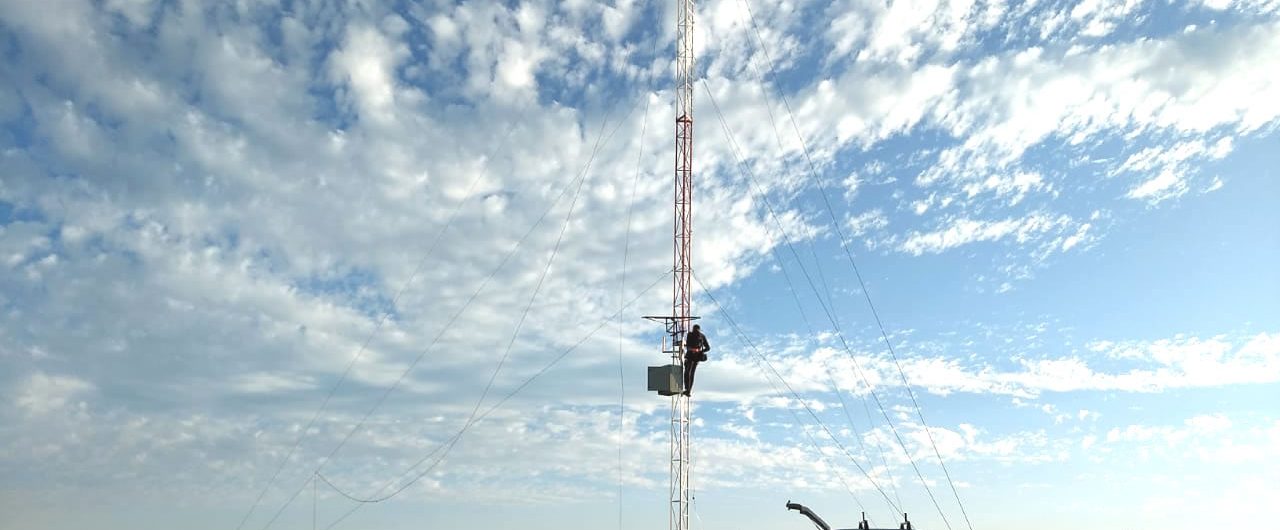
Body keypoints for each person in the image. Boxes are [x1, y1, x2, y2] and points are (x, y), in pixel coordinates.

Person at [682, 324, 709, 396]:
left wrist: (697, 350)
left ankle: (688, 390)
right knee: (691, 373)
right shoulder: (702, 336)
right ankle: (688, 390)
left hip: (692, 356)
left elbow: (688, 345)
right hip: (695, 357)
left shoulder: (691, 334)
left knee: (688, 373)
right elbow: (708, 348)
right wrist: (699, 351)